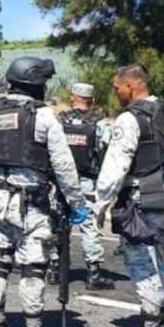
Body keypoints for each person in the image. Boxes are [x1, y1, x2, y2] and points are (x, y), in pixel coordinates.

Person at [0, 57, 88, 327]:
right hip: (31, 205)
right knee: (33, 268)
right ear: (37, 84)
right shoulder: (42, 115)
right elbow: (63, 164)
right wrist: (76, 202)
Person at [93, 64, 164, 327]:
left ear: (130, 87)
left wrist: (100, 205)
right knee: (158, 260)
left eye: (117, 88)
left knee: (143, 266)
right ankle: (162, 325)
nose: (115, 93)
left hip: (142, 200)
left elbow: (116, 165)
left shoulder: (130, 118)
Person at [53, 83, 116, 291]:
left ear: (72, 97)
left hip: (62, 181)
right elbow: (109, 150)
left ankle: (55, 269)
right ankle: (93, 273)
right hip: (88, 181)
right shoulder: (101, 124)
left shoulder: (59, 120)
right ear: (92, 100)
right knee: (89, 226)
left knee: (58, 223)